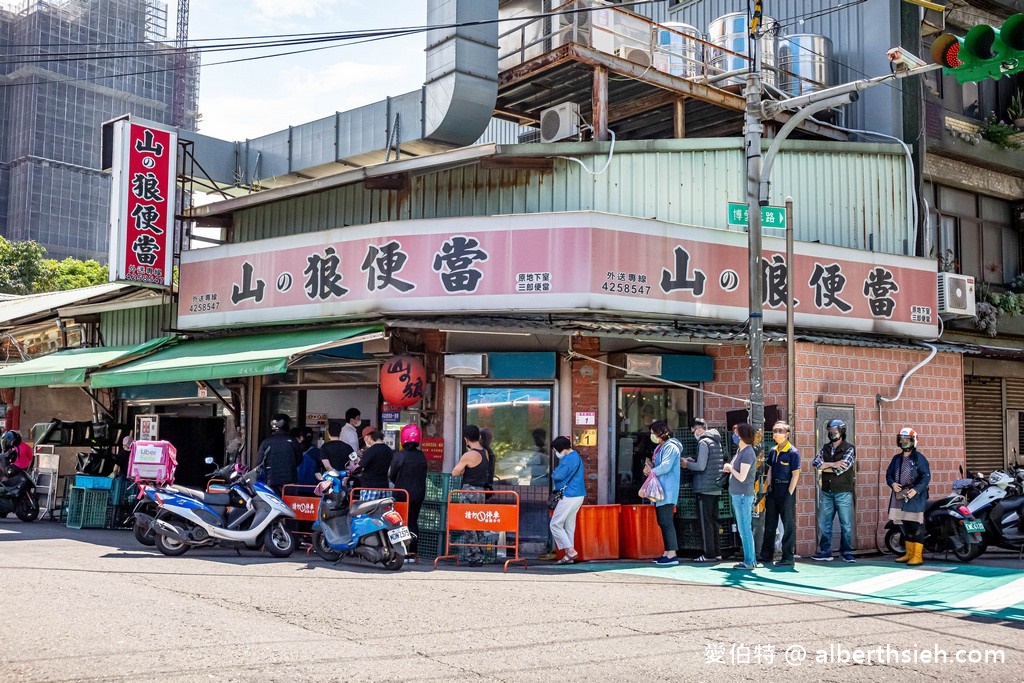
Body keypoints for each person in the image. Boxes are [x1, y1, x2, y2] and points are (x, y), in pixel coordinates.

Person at [812, 419, 857, 562]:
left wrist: (826, 467)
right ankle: (825, 551)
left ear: (842, 432)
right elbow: (816, 464)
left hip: (843, 491)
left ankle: (847, 552)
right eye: (830, 432)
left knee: (846, 524)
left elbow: (842, 468)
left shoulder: (849, 448)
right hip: (827, 491)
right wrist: (833, 464)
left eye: (835, 432)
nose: (832, 434)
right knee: (824, 523)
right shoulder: (825, 448)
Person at [886, 427, 931, 567]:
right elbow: (888, 474)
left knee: (914, 526)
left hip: (914, 497)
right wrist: (892, 484)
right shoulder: (896, 458)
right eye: (902, 439)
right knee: (904, 525)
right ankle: (909, 554)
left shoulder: (920, 458)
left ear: (914, 441)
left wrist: (916, 490)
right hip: (899, 495)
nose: (904, 442)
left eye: (907, 440)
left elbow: (926, 477)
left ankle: (917, 556)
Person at [758, 421, 801, 566]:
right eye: (775, 430)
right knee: (770, 523)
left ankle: (788, 557)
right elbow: (769, 469)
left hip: (786, 489)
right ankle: (766, 555)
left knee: (788, 524)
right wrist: (769, 486)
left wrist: (789, 493)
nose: (776, 433)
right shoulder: (773, 450)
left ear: (787, 434)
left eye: (780, 431)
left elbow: (795, 475)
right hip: (774, 489)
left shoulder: (793, 452)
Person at [685, 418, 724, 563]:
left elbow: (701, 466)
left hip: (704, 488)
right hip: (715, 487)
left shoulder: (703, 442)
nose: (694, 434)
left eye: (694, 431)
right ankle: (717, 552)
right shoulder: (716, 441)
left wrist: (686, 464)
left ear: (699, 429)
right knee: (714, 522)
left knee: (705, 522)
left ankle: (708, 554)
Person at [451, 424, 489, 567]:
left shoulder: (468, 455)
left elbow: (455, 472)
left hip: (468, 492)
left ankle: (475, 556)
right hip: (481, 492)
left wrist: (462, 469)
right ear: (479, 437)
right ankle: (480, 553)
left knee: (468, 524)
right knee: (478, 523)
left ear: (466, 439)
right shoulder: (484, 452)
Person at [645, 420, 681, 566]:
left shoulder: (671, 447)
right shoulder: (659, 448)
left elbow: (666, 467)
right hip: (660, 489)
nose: (651, 435)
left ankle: (672, 554)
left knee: (666, 521)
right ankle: (667, 552)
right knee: (662, 521)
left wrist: (651, 471)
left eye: (653, 432)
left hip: (667, 489)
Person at [390, 424, 428, 563]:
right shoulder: (422, 456)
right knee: (413, 521)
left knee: (399, 523)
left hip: (401, 493)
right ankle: (413, 553)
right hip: (419, 494)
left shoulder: (399, 456)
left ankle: (401, 553)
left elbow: (392, 475)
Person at [723, 423, 758, 570]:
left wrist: (730, 468)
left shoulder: (747, 452)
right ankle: (750, 559)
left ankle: (749, 561)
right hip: (739, 494)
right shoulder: (742, 451)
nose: (735, 436)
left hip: (743, 495)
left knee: (744, 529)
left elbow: (742, 477)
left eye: (737, 433)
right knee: (744, 528)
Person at [548, 436, 586, 564]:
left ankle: (570, 551)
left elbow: (557, 475)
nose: (556, 453)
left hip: (569, 495)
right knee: (569, 525)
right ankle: (569, 557)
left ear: (560, 449)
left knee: (555, 524)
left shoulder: (568, 459)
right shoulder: (576, 456)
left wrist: (552, 472)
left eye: (556, 450)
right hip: (579, 494)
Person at [256, 414, 302, 495]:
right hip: (290, 480)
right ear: (286, 425)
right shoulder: (292, 441)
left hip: (272, 479)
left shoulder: (266, 442)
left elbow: (259, 462)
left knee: (274, 503)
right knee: (289, 505)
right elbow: (299, 459)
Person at [357, 427, 393, 500]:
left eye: (365, 438)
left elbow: (360, 466)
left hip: (370, 488)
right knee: (383, 511)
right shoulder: (388, 450)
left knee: (367, 511)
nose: (364, 440)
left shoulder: (370, 451)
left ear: (369, 437)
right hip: (384, 487)